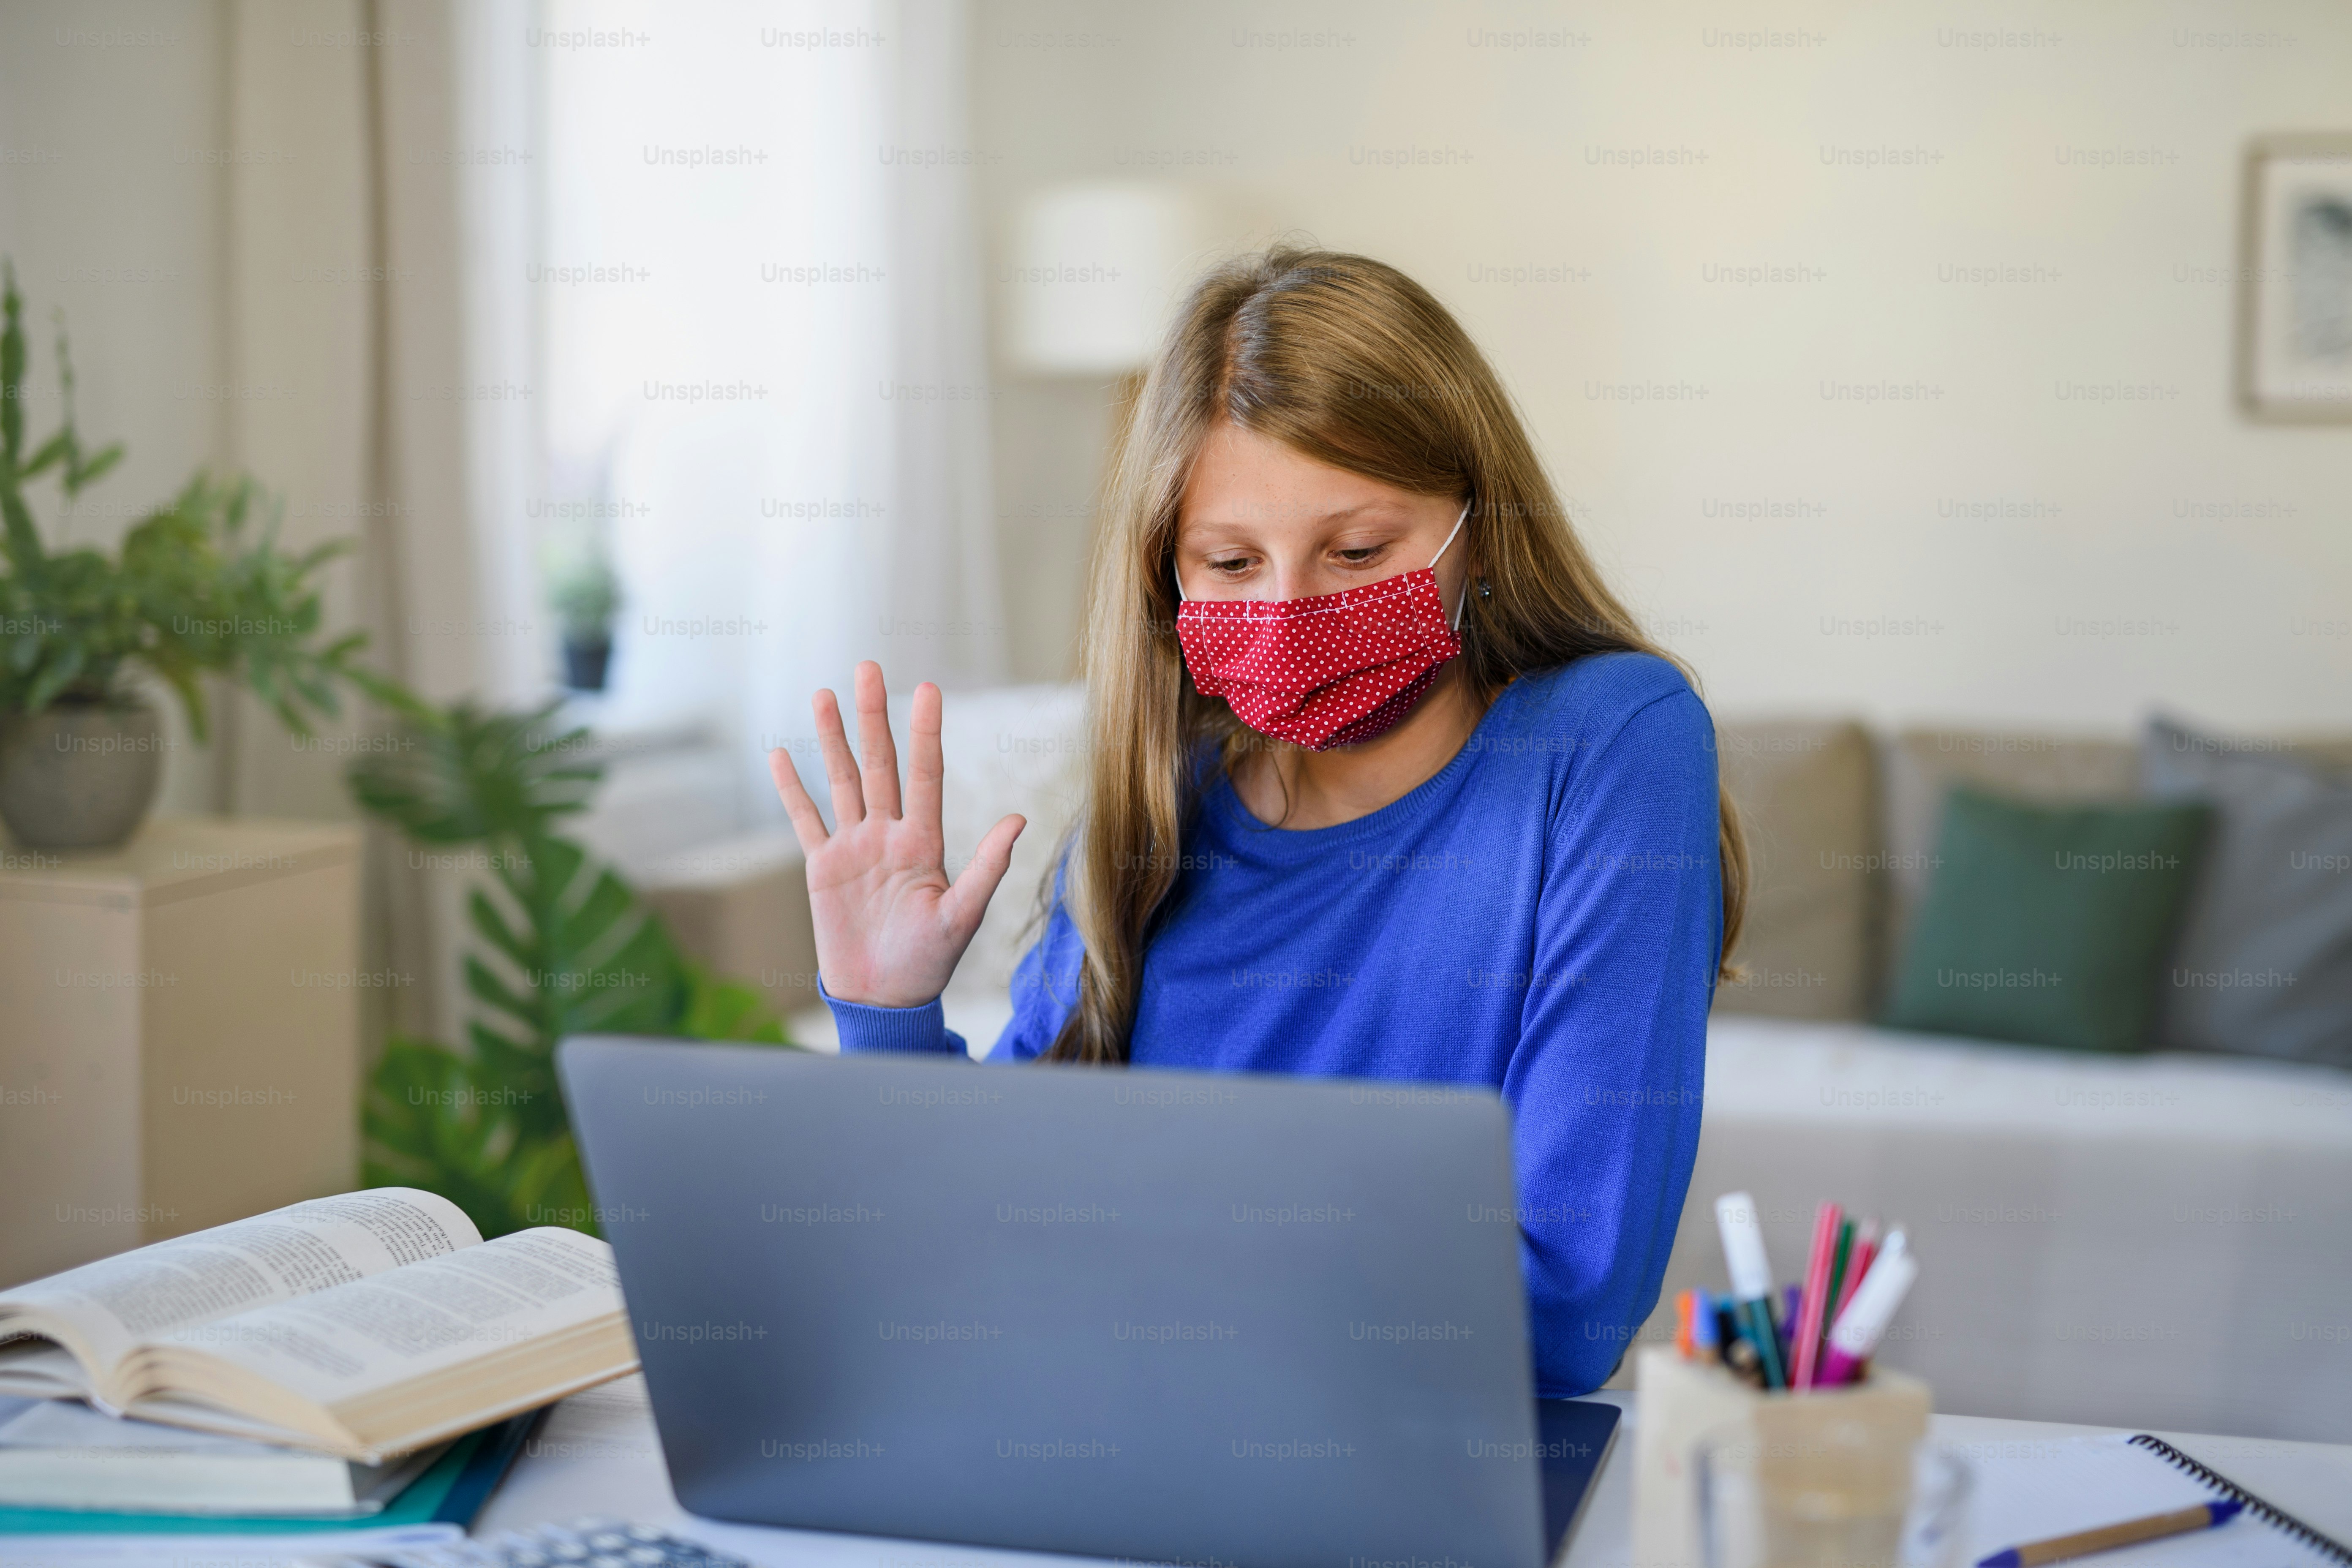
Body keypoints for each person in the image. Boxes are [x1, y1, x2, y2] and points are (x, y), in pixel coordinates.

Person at [768, 247, 1747, 1396]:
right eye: (1231, 562)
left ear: (1477, 528)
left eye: (1359, 551)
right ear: (1165, 580)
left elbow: (1563, 1313)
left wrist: (1123, 1247)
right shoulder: (1155, 815)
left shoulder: (1611, 744)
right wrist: (891, 1014)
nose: (1288, 611)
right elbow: (981, 1229)